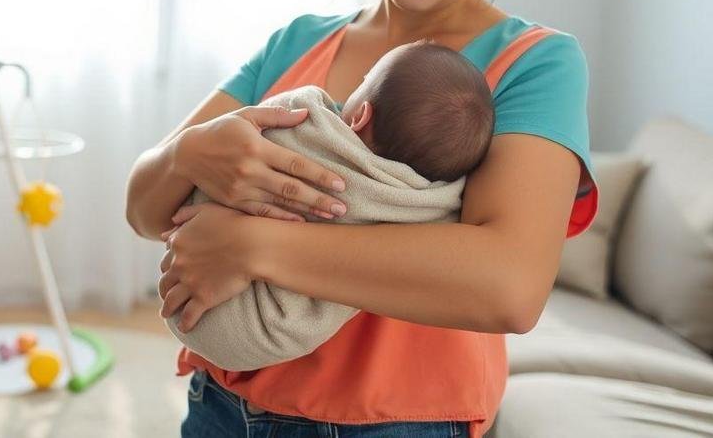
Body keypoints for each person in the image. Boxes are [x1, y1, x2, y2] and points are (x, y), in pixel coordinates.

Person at [126, 0, 598, 438]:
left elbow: (510, 286)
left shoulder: (534, 63)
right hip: (220, 406)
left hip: (397, 423)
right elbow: (144, 206)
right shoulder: (298, 42)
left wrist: (254, 243)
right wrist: (188, 152)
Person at [162, 42, 495, 371]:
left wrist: (244, 239)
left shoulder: (306, 120)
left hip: (196, 287)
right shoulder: (428, 207)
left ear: (361, 115)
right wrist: (184, 152)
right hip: (268, 338)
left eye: (362, 83)